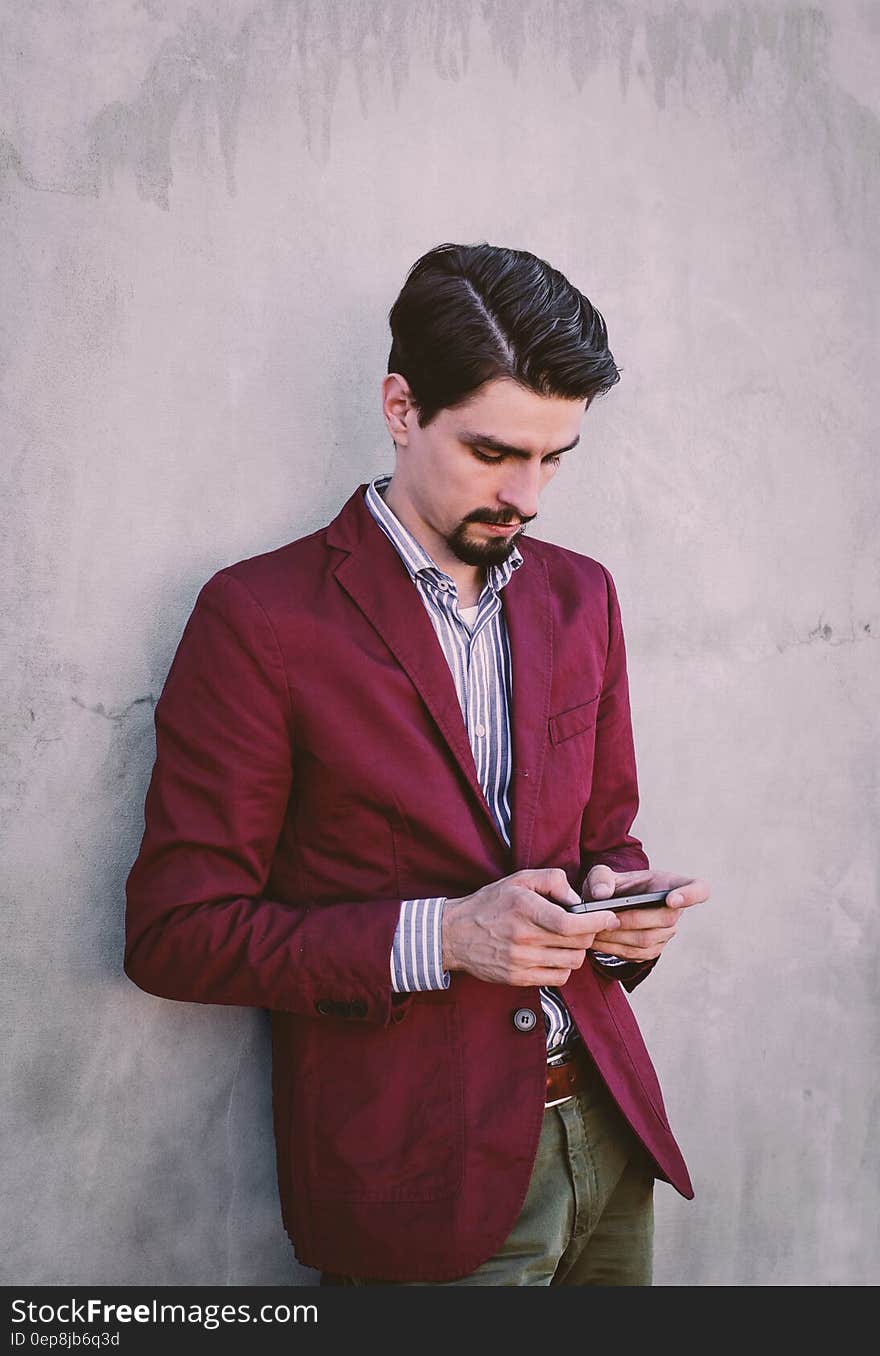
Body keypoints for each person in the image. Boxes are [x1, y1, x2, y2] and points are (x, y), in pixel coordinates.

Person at [124, 241, 710, 1287]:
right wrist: (444, 937)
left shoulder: (583, 598)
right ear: (401, 408)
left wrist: (623, 917)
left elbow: (603, 844)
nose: (527, 494)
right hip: (415, 1179)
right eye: (493, 453)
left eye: (555, 457)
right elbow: (177, 934)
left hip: (610, 1137)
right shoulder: (260, 619)